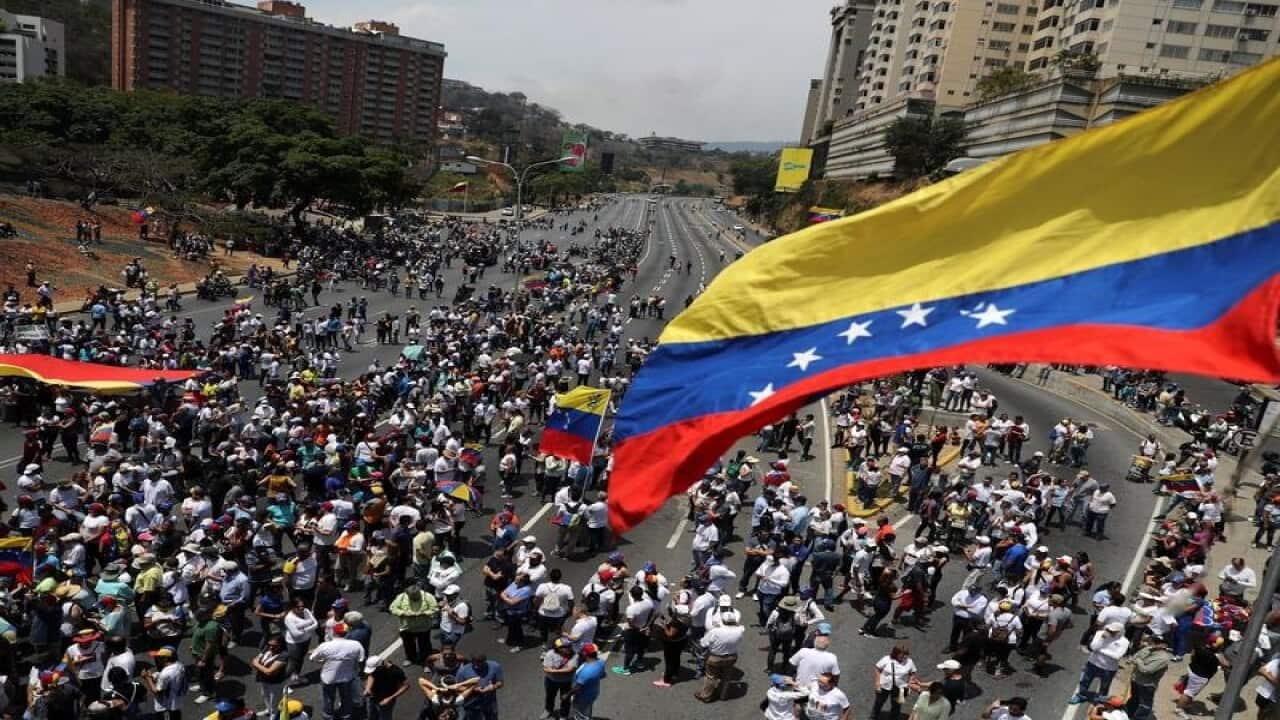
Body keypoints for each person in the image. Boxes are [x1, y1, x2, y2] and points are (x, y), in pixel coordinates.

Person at [309, 623, 366, 720]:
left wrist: (322, 660)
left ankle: (328, 716)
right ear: (347, 633)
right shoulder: (356, 645)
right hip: (347, 677)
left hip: (328, 678)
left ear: (334, 633)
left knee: (328, 698)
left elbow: (312, 658)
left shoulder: (325, 646)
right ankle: (346, 715)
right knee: (346, 698)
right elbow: (361, 660)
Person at [1070, 622, 1129, 704]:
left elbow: (1117, 656)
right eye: (1108, 630)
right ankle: (1081, 696)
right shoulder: (1100, 634)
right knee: (1084, 681)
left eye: (1113, 631)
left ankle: (1100, 701)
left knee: (1104, 687)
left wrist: (1100, 650)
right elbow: (1093, 647)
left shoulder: (1124, 642)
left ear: (1120, 632)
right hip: (1093, 663)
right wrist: (1102, 639)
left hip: (1109, 669)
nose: (1109, 632)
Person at [695, 607, 744, 702]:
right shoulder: (739, 630)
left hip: (715, 657)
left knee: (711, 677)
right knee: (727, 676)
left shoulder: (715, 631)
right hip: (731, 656)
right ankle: (723, 695)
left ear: (723, 620)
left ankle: (706, 695)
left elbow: (704, 643)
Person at [1125, 635, 1173, 720]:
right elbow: (1136, 656)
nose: (1153, 643)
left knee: (1144, 705)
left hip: (1146, 685)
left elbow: (1147, 670)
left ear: (1164, 645)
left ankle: (1140, 718)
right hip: (1135, 680)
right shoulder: (1147, 649)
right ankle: (1127, 715)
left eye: (1157, 642)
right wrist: (1134, 660)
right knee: (1133, 699)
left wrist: (1138, 661)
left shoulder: (1163, 658)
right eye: (1154, 640)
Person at [390, 584, 438, 667]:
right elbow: (393, 608)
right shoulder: (401, 597)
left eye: (416, 596)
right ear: (407, 594)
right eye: (412, 597)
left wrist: (424, 613)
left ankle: (426, 661)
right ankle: (410, 658)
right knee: (408, 644)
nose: (414, 598)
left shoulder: (428, 597)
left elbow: (435, 609)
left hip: (423, 627)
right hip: (407, 628)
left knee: (424, 645)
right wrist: (403, 613)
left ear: (419, 592)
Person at [871, 645, 918, 720]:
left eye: (906, 654)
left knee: (897, 706)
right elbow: (877, 669)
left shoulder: (909, 662)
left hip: (901, 688)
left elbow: (912, 673)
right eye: (902, 654)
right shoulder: (886, 659)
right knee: (879, 703)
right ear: (896, 653)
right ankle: (874, 717)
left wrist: (909, 684)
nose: (905, 656)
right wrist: (877, 683)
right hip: (884, 686)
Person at [140, 646, 185, 720]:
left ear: (165, 659)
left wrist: (147, 678)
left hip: (166, 708)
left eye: (159, 657)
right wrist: (155, 676)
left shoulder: (165, 674)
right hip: (176, 703)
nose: (156, 659)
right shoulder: (180, 665)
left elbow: (156, 691)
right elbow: (170, 680)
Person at [250, 635, 289, 720]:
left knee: (274, 699)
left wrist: (257, 664)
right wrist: (260, 666)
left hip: (276, 683)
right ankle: (268, 709)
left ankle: (274, 713)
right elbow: (255, 660)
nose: (271, 647)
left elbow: (269, 671)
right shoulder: (267, 648)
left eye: (274, 646)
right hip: (264, 679)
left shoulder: (284, 655)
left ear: (281, 645)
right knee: (265, 695)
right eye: (269, 645)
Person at [455, 654, 504, 720]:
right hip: (472, 704)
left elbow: (500, 682)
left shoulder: (494, 666)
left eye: (480, 664)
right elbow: (458, 688)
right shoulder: (462, 672)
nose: (477, 667)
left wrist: (493, 687)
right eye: (475, 664)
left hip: (490, 702)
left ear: (485, 661)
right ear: (471, 661)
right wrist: (473, 689)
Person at [654, 603, 690, 688]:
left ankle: (666, 680)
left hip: (672, 644)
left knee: (669, 661)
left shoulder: (676, 622)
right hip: (681, 641)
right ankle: (674, 673)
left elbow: (670, 634)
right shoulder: (687, 619)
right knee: (676, 657)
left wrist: (664, 626)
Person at [540, 639, 578, 719]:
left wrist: (554, 671)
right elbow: (546, 669)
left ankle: (563, 715)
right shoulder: (550, 654)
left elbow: (570, 669)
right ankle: (548, 710)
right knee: (550, 696)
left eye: (569, 646)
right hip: (551, 680)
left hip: (566, 682)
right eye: (565, 647)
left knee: (565, 699)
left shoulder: (574, 655)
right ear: (558, 648)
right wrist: (561, 670)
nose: (568, 648)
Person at [363, 655, 408, 720]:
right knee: (371, 716)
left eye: (373, 670)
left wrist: (390, 698)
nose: (372, 672)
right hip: (372, 697)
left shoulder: (396, 672)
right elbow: (371, 675)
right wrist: (368, 688)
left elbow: (406, 685)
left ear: (380, 666)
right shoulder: (376, 669)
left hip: (385, 701)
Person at [570, 644, 606, 720]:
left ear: (585, 654)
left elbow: (577, 687)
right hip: (593, 691)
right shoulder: (601, 662)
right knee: (587, 708)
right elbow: (603, 675)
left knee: (580, 711)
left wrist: (567, 695)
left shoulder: (586, 671)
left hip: (582, 695)